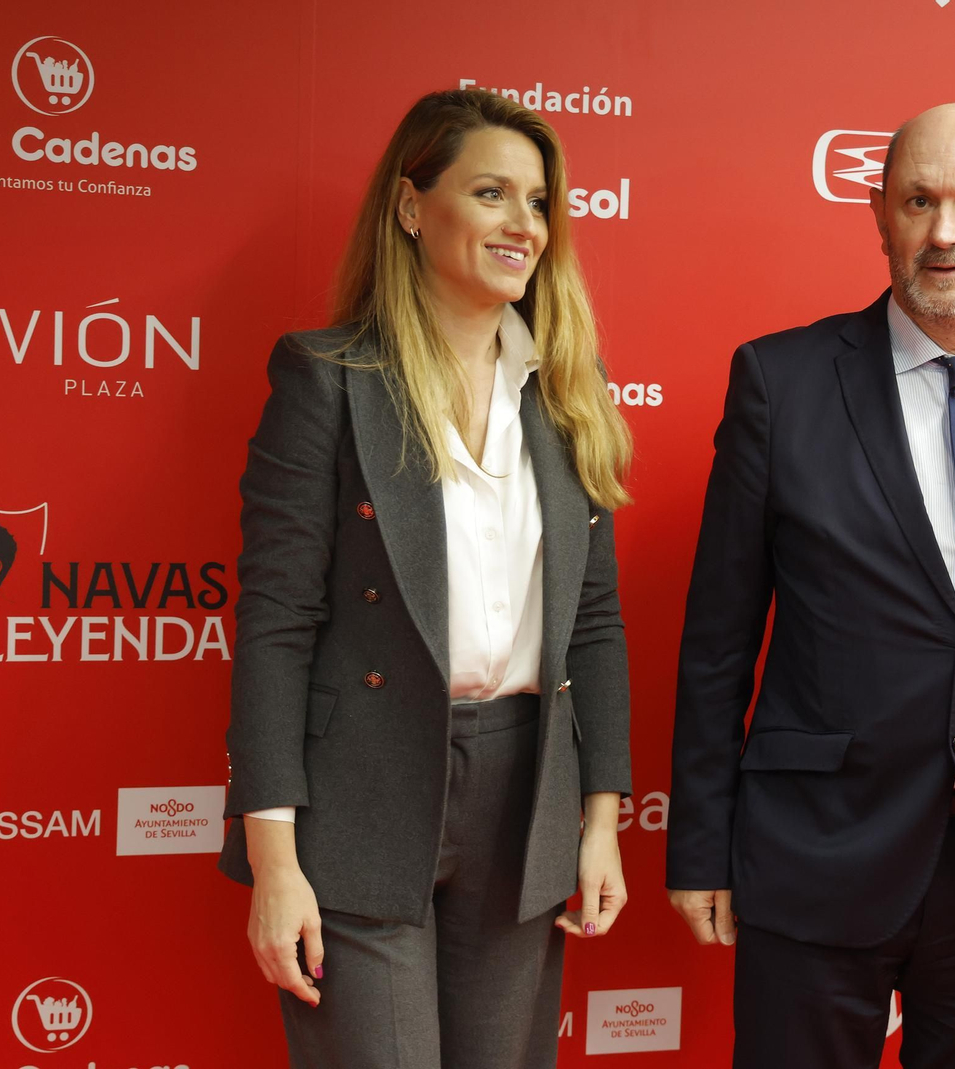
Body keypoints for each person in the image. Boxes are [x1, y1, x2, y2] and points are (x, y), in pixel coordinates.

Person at [666, 102, 955, 1068]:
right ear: (878, 214)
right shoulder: (780, 380)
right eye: (918, 200)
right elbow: (718, 641)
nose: (945, 232)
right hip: (816, 855)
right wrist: (701, 847)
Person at [218, 88, 635, 1069]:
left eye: (537, 203)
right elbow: (278, 622)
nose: (521, 225)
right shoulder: (327, 378)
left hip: (523, 787)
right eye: (491, 192)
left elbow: (595, 623)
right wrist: (274, 862)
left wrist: (602, 818)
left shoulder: (564, 394)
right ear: (412, 208)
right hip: (358, 791)